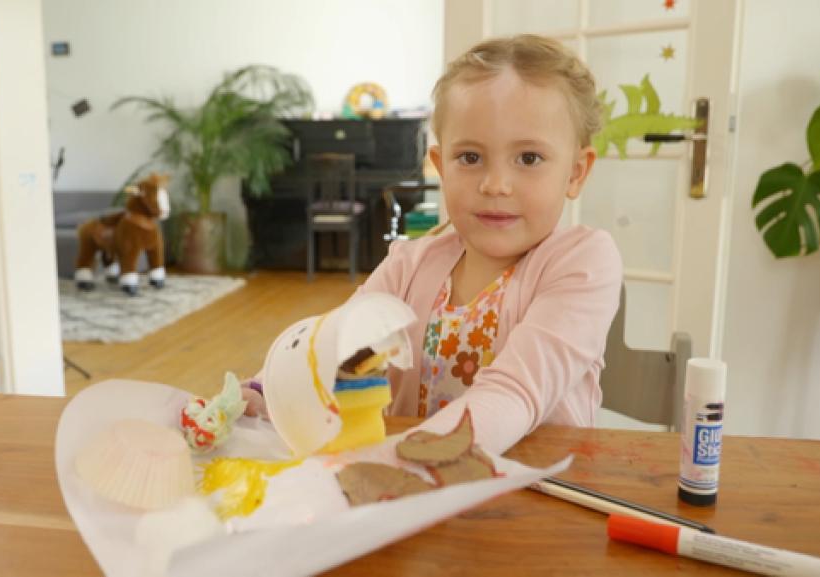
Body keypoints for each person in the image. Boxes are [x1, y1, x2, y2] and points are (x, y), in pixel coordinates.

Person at [244, 34, 622, 456]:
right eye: (471, 158)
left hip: (535, 504)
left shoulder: (583, 262)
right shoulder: (407, 264)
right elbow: (334, 344)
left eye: (529, 158)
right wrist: (261, 392)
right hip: (413, 492)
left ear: (575, 172)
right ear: (442, 167)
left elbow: (515, 392)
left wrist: (410, 459)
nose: (495, 184)